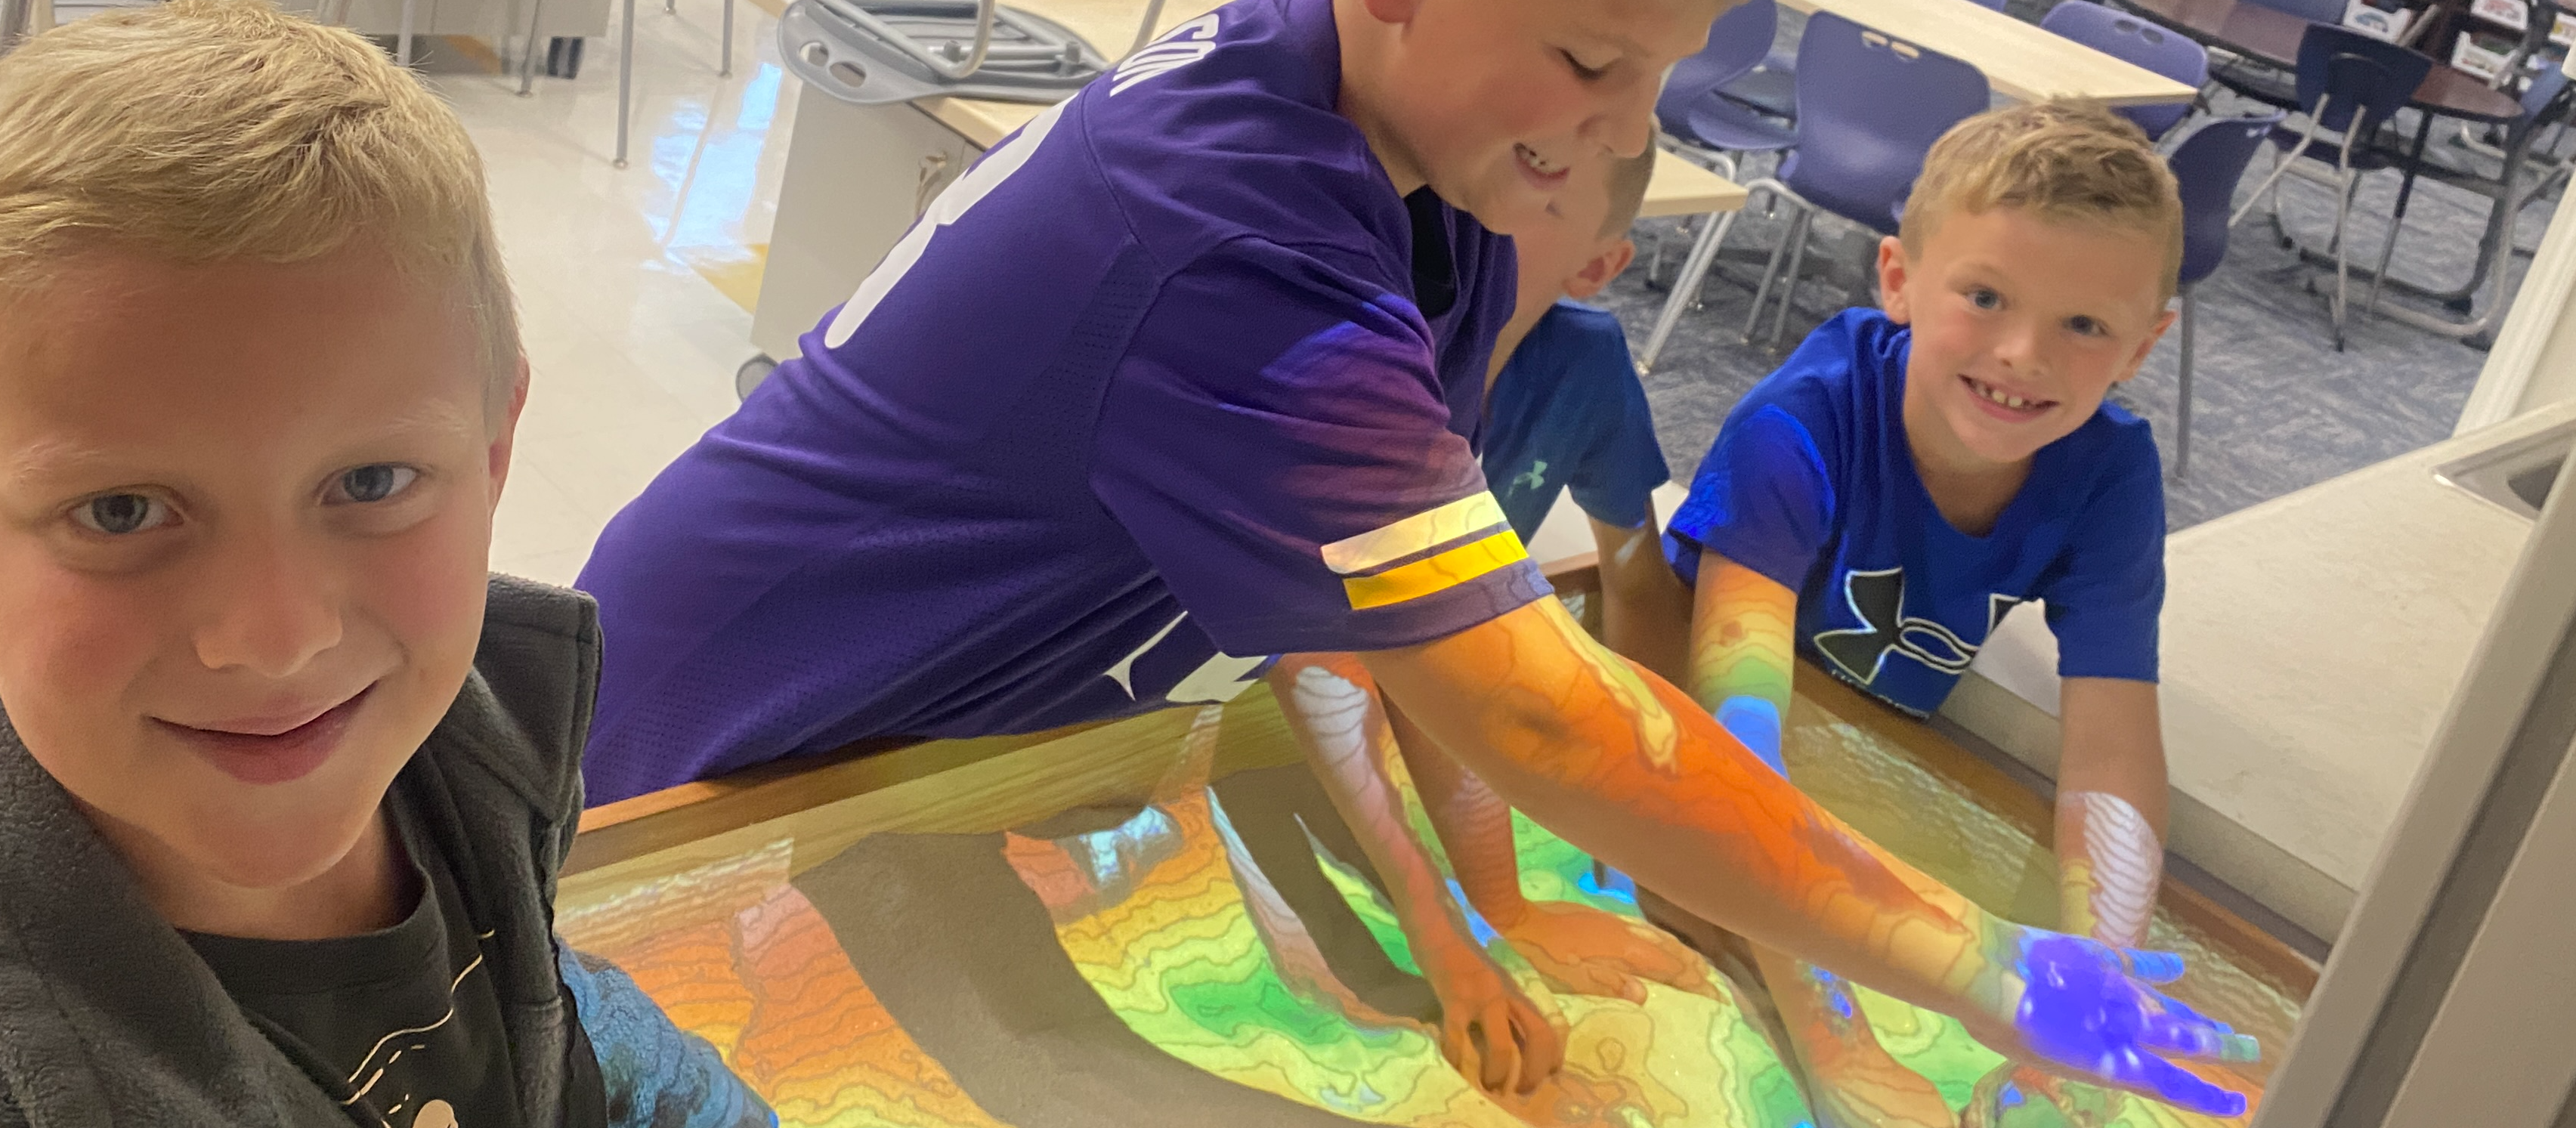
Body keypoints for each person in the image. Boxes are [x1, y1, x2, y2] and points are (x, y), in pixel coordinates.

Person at [578, 0, 2248, 1111]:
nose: (1622, 129)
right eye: (1588, 58)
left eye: (1661, 76)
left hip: (915, 760)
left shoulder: (1425, 175)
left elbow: (1436, 634)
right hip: (704, 765)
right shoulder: (1245, 245)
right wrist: (1983, 962)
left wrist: (1504, 899)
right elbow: (1534, 712)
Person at [0, 5, 773, 1126]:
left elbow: (548, 1008)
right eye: (122, 511)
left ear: (491, 457)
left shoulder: (459, 737)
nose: (279, 637)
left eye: (371, 481)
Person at [1663, 99, 2191, 1128]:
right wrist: (1836, 1036)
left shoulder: (2112, 472)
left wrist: (2100, 981)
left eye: (2085, 325)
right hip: (1704, 772)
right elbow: (1738, 743)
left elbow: (2112, 750)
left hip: (1855, 776)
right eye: (1985, 297)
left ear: (2144, 344)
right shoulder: (1796, 427)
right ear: (1898, 279)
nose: (2024, 354)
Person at [1269, 137, 1710, 1093]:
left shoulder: (1583, 364)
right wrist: (1467, 922)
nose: (1463, 226)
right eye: (1443, 188)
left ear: (1598, 263)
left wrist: (1639, 807)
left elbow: (1634, 582)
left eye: (1533, 203)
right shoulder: (1337, 353)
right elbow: (1325, 650)